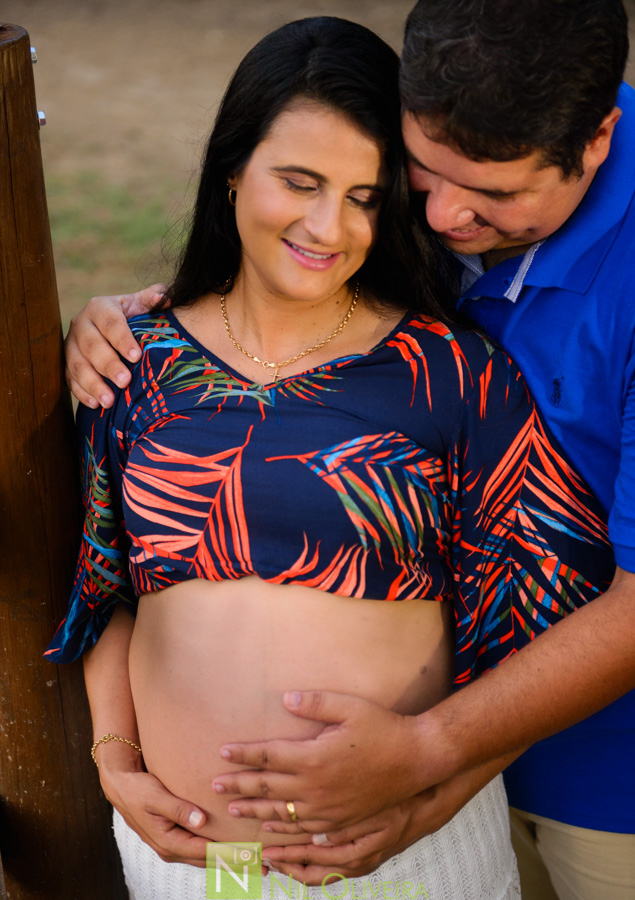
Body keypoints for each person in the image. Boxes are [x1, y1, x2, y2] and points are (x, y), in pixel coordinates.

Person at [65, 2, 635, 899]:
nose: (444, 218)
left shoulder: (450, 367)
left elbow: (560, 593)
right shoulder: (144, 363)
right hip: (207, 867)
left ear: (596, 141)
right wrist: (113, 756)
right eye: (420, 178)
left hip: (463, 830)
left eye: (369, 197)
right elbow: (106, 578)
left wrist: (433, 771)